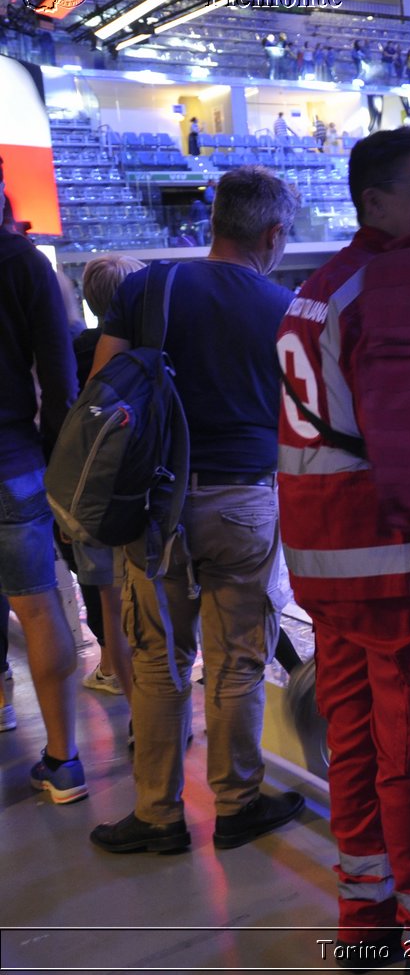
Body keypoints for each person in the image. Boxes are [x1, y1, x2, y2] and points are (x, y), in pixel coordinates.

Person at [276, 128, 410, 967]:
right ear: (373, 202)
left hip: (326, 565)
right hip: (398, 561)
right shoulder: (396, 290)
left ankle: (366, 923)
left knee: (356, 748)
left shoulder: (317, 288)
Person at [88, 166, 305, 853]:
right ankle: (238, 803)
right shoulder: (282, 306)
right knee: (238, 660)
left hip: (157, 503)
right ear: (271, 234)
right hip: (244, 500)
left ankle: (158, 815)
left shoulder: (148, 286)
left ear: (214, 223)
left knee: (158, 659)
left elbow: (102, 390)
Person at [0, 168, 83, 802]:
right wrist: (58, 450)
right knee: (37, 603)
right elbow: (58, 373)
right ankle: (64, 762)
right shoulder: (22, 259)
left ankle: (3, 705)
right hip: (13, 459)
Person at [71, 255, 143, 704]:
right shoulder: (154, 352)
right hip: (146, 489)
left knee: (111, 604)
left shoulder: (77, 350)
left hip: (92, 492)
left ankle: (132, 701)